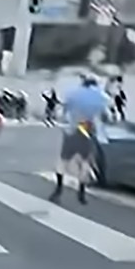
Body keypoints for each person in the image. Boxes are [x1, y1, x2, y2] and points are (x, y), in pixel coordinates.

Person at [48, 76, 109, 205]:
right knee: (85, 162)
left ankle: (58, 190)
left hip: (72, 129)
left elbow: (64, 112)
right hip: (87, 129)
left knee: (63, 160)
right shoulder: (101, 97)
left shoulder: (73, 94)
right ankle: (81, 193)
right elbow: (105, 116)